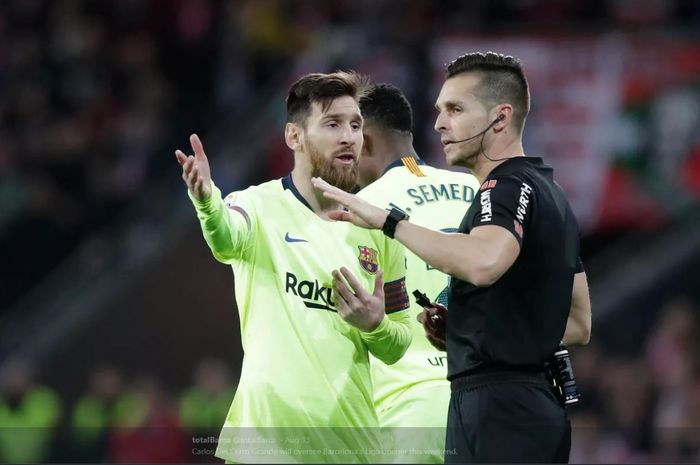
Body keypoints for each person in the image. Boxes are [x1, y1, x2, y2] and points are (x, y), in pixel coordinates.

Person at [311, 52, 592, 463]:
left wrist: (390, 222)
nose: (440, 123)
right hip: (526, 402)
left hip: (483, 410)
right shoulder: (550, 194)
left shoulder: (503, 188)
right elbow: (579, 322)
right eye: (440, 110)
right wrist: (471, 329)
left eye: (456, 110)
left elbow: (482, 263)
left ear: (500, 118)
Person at [175, 71, 411, 464]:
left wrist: (376, 326)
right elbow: (226, 237)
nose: (349, 136)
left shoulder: (380, 229)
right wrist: (206, 201)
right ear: (294, 137)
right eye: (332, 124)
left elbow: (399, 345)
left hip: (353, 448)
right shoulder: (257, 204)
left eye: (355, 125)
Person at [355, 83, 480, 464]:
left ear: (366, 141)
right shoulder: (475, 187)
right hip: (486, 404)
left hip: (409, 411)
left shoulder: (363, 208)